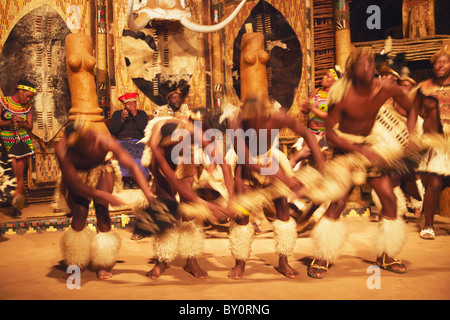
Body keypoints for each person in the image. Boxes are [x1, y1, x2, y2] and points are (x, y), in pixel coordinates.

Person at [307, 47, 416, 279]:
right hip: (346, 150)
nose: (367, 68)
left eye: (370, 63)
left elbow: (412, 107)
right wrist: (358, 150)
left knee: (388, 199)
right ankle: (323, 255)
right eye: (362, 64)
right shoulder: (341, 95)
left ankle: (386, 254)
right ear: (352, 69)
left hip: (371, 146)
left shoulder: (385, 87)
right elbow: (331, 134)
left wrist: (412, 135)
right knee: (338, 202)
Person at [226, 98, 326, 280]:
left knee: (284, 215)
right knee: (241, 216)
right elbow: (247, 161)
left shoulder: (278, 118)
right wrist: (284, 178)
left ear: (265, 116)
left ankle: (283, 261)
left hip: (271, 165)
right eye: (249, 122)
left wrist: (319, 159)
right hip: (247, 172)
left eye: (257, 121)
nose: (253, 125)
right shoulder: (236, 124)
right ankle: (239, 263)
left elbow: (306, 133)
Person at [56, 116, 158, 280]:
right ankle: (75, 260)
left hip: (102, 169)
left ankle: (103, 263)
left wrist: (148, 194)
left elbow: (131, 166)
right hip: (78, 176)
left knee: (102, 211)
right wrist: (102, 194)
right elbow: (74, 184)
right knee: (79, 216)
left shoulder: (102, 141)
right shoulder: (63, 149)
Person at [141, 115, 234, 279]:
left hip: (184, 158)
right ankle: (162, 260)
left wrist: (231, 198)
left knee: (189, 213)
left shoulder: (193, 132)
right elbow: (177, 185)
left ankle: (191, 260)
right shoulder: (157, 142)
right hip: (161, 162)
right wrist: (208, 206)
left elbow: (224, 164)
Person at [410, 46, 450, 240]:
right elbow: (413, 112)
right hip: (436, 142)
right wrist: (412, 135)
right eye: (436, 62)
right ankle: (428, 226)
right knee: (434, 183)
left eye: (444, 61)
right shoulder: (423, 88)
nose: (439, 65)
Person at [290, 68, 340, 169]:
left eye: (328, 76)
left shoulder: (335, 96)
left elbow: (329, 116)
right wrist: (304, 108)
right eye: (324, 75)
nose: (323, 77)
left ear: (335, 81)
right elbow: (307, 110)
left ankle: (287, 169)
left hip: (324, 134)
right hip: (310, 131)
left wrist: (311, 108)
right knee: (307, 157)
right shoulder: (316, 92)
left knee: (303, 153)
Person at [0, 80, 36, 217]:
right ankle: (6, 203)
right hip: (5, 138)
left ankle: (15, 206)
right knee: (9, 174)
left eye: (30, 97)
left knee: (19, 175)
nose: (28, 99)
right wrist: (9, 122)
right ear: (20, 91)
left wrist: (23, 122)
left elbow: (30, 127)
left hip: (21, 140)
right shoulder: (4, 102)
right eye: (27, 95)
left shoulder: (28, 107)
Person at [108, 92, 149, 189]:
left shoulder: (142, 114)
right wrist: (121, 120)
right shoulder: (117, 114)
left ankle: (136, 179)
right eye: (128, 104)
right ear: (124, 105)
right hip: (121, 141)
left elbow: (144, 129)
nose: (131, 105)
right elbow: (112, 131)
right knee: (123, 154)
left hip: (138, 141)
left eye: (133, 103)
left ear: (136, 104)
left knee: (138, 154)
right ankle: (125, 179)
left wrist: (135, 114)